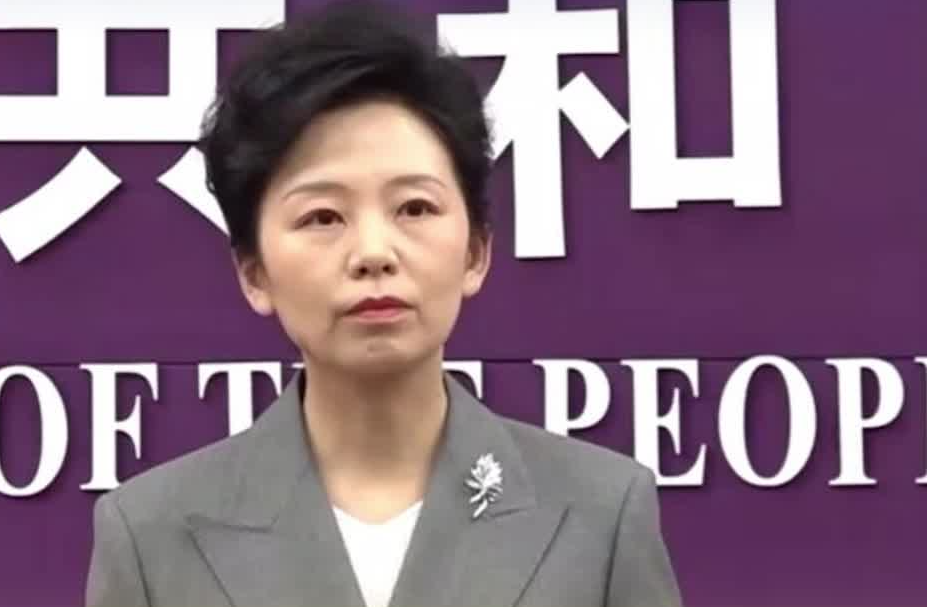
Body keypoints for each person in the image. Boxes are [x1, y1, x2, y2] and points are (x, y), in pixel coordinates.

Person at [85, 2, 682, 606]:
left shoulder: (600, 516)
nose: (373, 253)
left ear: (476, 252)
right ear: (254, 271)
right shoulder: (151, 539)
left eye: (414, 208)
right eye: (323, 217)